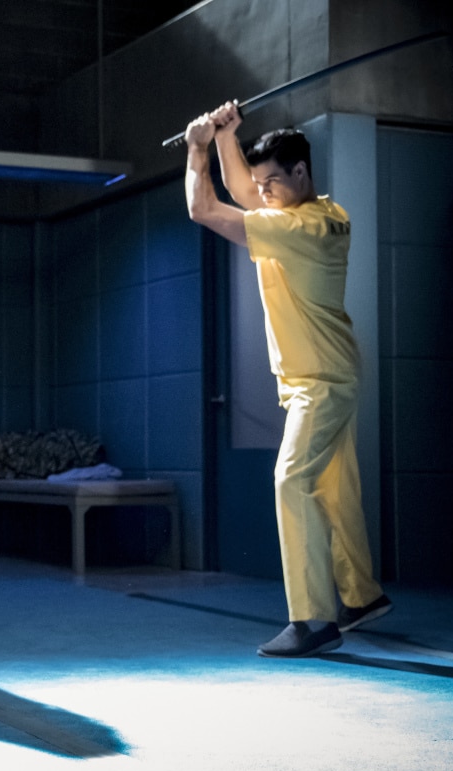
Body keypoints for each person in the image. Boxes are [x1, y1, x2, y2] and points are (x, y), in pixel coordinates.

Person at [184, 101, 392, 658]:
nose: (263, 193)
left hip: (319, 381)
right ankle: (362, 596)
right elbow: (244, 191)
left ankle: (313, 620)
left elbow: (205, 208)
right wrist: (227, 135)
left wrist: (197, 149)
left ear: (301, 171)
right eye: (263, 185)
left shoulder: (297, 228)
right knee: (334, 488)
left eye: (273, 182)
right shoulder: (322, 212)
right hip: (331, 371)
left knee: (291, 480)